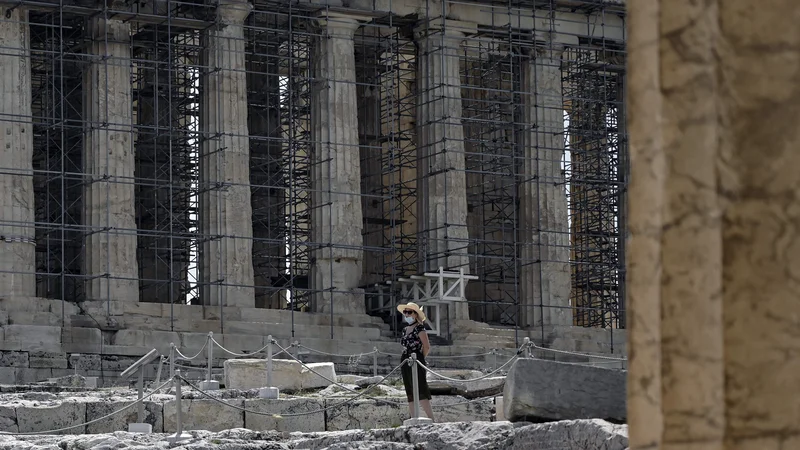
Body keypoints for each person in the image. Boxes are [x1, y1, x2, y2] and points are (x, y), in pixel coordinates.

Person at [397, 302, 435, 421]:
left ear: (415, 314)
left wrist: (420, 358)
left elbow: (426, 346)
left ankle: (431, 418)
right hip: (405, 359)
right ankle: (413, 417)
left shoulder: (420, 328)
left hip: (416, 358)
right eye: (405, 312)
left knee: (421, 388)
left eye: (409, 312)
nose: (407, 314)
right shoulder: (404, 329)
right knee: (409, 388)